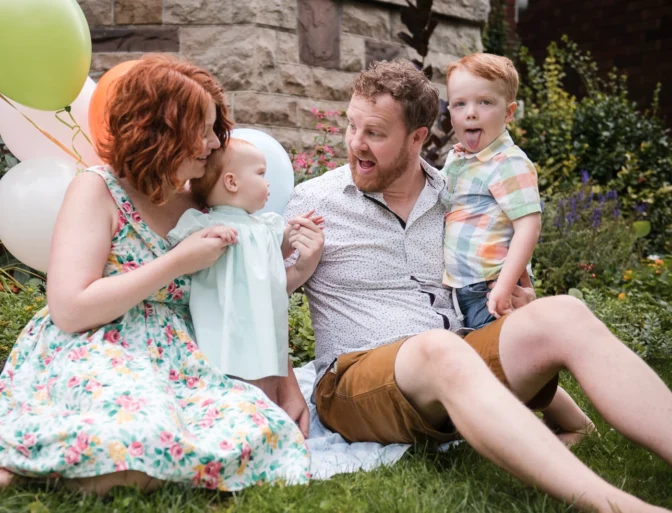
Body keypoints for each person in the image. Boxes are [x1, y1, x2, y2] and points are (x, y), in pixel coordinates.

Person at [0, 55, 310, 494]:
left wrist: (286, 384)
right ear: (162, 131)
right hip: (99, 346)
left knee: (265, 433)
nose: (215, 143)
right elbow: (71, 309)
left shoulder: (203, 199)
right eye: (204, 129)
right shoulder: (98, 190)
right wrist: (175, 262)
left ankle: (22, 472)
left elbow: (248, 296)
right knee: (143, 439)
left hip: (185, 360)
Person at [283, 58, 672, 513]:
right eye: (352, 126)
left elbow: (493, 264)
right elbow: (251, 303)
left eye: (374, 133)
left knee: (562, 312)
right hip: (354, 382)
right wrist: (293, 274)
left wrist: (517, 299)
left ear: (417, 138)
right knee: (438, 347)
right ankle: (617, 507)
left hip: (458, 361)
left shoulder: (455, 194)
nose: (355, 144)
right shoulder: (312, 203)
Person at [442, 52, 594, 445]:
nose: (470, 114)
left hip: (488, 285)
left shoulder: (508, 162)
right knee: (491, 362)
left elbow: (528, 224)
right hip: (462, 285)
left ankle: (568, 425)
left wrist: (504, 286)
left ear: (508, 112)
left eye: (484, 103)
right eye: (460, 104)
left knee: (506, 366)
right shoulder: (459, 159)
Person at [167, 139, 323, 403]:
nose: (268, 182)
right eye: (261, 174)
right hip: (221, 330)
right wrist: (207, 235)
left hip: (261, 329)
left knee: (266, 386)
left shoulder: (265, 226)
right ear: (232, 182)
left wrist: (293, 233)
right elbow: (178, 247)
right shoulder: (204, 224)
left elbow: (275, 256)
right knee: (230, 387)